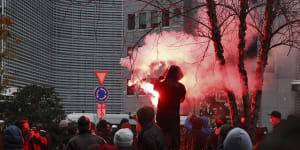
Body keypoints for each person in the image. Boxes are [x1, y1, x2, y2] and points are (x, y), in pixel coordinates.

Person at [154, 65, 186, 150]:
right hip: (173, 117)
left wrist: (162, 77)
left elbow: (155, 85)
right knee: (175, 140)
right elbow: (181, 100)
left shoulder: (161, 84)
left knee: (160, 138)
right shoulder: (180, 86)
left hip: (161, 116)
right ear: (177, 74)